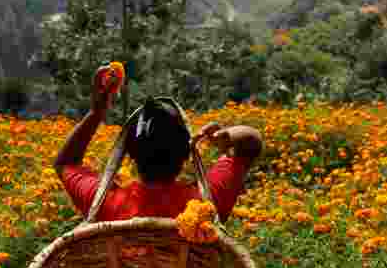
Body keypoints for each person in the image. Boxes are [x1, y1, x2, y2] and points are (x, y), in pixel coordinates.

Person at [54, 64, 262, 223]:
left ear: (131, 153)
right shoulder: (205, 203)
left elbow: (65, 163)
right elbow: (252, 141)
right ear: (186, 152)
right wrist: (223, 136)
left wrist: (96, 113)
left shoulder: (106, 203)